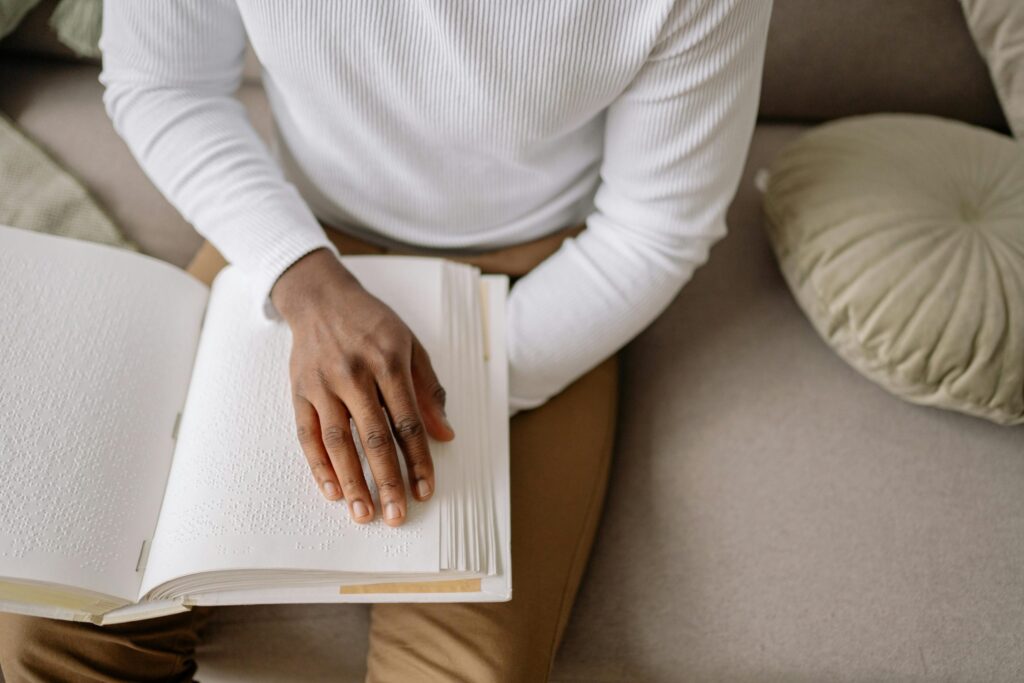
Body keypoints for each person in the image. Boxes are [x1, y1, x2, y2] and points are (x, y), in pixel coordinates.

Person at [0, 1, 771, 681]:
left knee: (469, 672)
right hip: (295, 239)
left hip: (535, 278)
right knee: (53, 630)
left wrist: (439, 389)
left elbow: (657, 228)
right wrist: (304, 282)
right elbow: (161, 83)